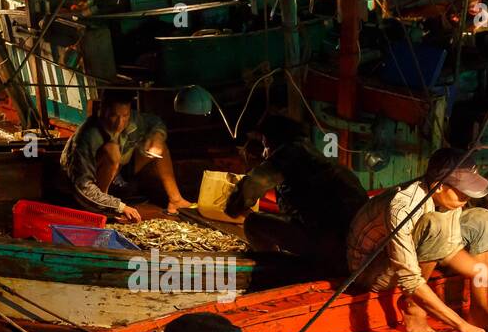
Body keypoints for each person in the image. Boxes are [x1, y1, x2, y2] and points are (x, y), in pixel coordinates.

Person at [345, 149, 488, 332]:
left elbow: (451, 250)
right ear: (438, 186)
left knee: (482, 218)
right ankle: (413, 307)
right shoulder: (403, 206)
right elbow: (410, 278)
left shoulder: (449, 200)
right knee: (435, 224)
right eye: (462, 191)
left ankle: (479, 310)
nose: (466, 197)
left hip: (409, 256)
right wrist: (461, 325)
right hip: (370, 270)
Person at [224, 113, 368, 275]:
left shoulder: (289, 153)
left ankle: (272, 271)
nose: (264, 153)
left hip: (332, 248)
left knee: (253, 223)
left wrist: (233, 206)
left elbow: (253, 184)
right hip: (358, 247)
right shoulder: (312, 156)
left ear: (273, 141)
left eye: (265, 145)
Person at [56, 90, 193, 222]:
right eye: (113, 116)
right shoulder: (86, 137)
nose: (119, 123)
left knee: (160, 146)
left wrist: (157, 136)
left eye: (125, 116)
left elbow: (155, 122)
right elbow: (84, 188)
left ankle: (176, 200)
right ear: (102, 109)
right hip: (80, 193)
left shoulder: (131, 118)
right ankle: (103, 209)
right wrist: (119, 207)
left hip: (119, 173)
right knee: (112, 151)